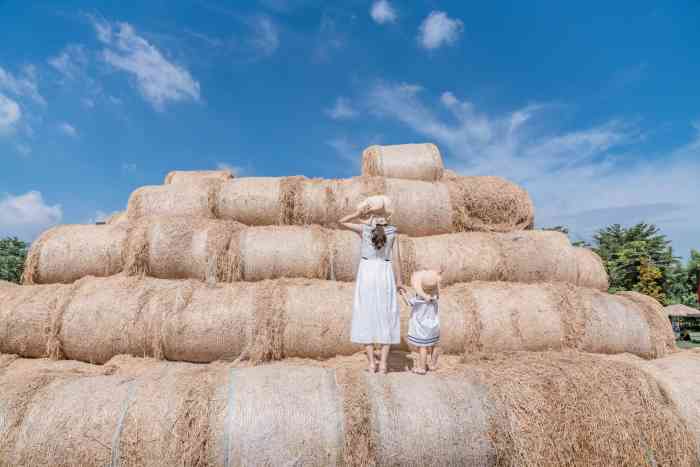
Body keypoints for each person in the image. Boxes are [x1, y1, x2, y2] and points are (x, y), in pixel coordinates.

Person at [339, 195, 403, 374]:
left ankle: (371, 364)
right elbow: (396, 259)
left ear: (369, 212)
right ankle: (383, 364)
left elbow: (341, 221)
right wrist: (399, 281)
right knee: (387, 314)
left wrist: (357, 213)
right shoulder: (392, 232)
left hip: (367, 271)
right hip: (385, 271)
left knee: (365, 313)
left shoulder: (364, 228)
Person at [400, 270, 441, 374]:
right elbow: (436, 289)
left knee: (422, 347)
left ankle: (422, 368)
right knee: (435, 344)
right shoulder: (435, 297)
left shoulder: (419, 300)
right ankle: (433, 364)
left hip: (422, 327)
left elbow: (408, 302)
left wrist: (402, 293)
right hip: (434, 325)